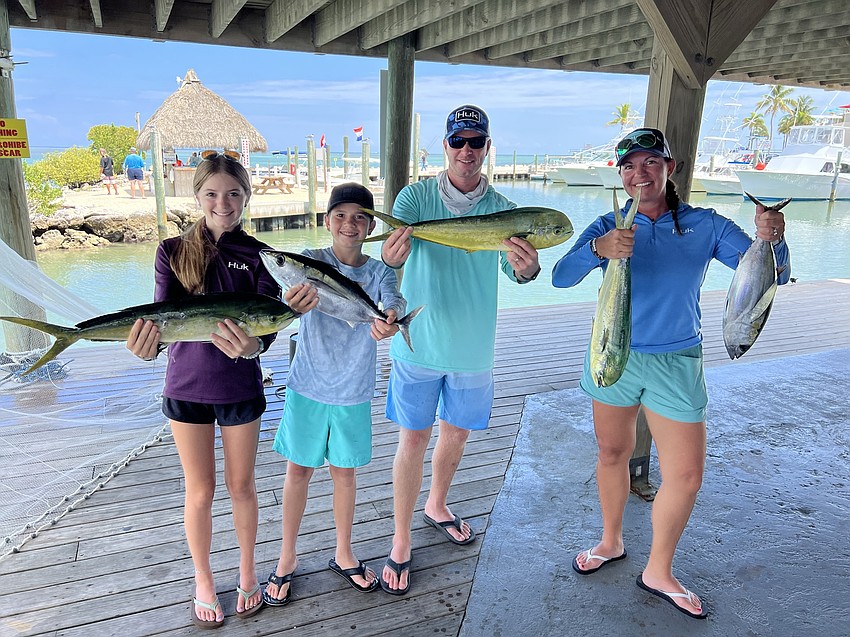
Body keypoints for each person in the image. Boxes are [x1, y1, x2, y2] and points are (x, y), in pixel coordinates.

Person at [551, 127, 791, 619]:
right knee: (611, 452)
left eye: (650, 163)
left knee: (685, 475)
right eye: (629, 166)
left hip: (678, 361)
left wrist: (773, 239)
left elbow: (773, 273)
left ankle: (658, 570)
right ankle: (611, 541)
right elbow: (560, 277)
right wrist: (598, 250)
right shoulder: (607, 224)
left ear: (669, 168)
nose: (639, 174)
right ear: (620, 174)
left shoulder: (706, 225)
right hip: (612, 354)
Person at [378, 105, 541, 595]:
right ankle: (401, 537)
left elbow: (515, 271)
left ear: (487, 146)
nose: (466, 151)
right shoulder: (414, 198)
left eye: (476, 142)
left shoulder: (506, 209)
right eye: (458, 141)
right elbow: (391, 263)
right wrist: (388, 257)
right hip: (417, 344)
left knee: (455, 435)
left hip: (473, 349)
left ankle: (437, 504)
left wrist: (528, 268)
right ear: (445, 145)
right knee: (412, 441)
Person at [126, 151, 277, 628]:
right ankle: (204, 579)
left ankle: (248, 571)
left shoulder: (261, 256)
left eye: (233, 193)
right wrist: (145, 347)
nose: (223, 203)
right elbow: (160, 321)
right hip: (186, 386)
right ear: (197, 197)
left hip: (240, 387)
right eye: (212, 193)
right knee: (200, 491)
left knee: (242, 487)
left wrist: (255, 345)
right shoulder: (170, 251)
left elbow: (268, 325)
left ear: (247, 196)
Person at [262, 182, 407, 606]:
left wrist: (391, 318)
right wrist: (290, 303)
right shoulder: (310, 261)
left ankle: (344, 553)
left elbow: (392, 299)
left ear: (371, 226)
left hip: (353, 389)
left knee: (345, 474)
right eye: (340, 215)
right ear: (327, 221)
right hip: (307, 384)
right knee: (298, 471)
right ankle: (286, 556)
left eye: (360, 217)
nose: (350, 224)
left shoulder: (380, 272)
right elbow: (283, 306)